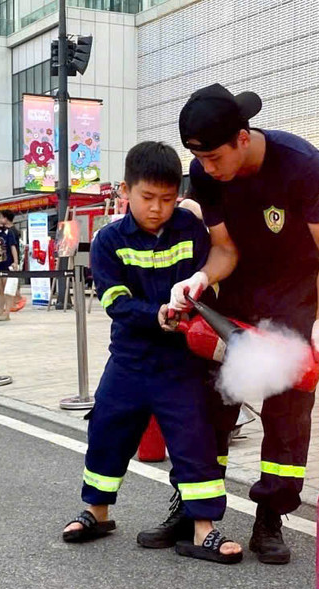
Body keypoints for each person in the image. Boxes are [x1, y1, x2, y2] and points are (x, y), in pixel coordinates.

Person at [143, 83, 319, 564]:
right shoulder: (206, 172)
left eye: (214, 157)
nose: (207, 169)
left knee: (287, 413)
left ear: (241, 137)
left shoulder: (302, 164)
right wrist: (200, 277)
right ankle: (194, 507)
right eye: (200, 159)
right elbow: (226, 248)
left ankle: (270, 518)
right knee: (209, 404)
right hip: (235, 296)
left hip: (296, 298)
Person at [62, 140, 242, 565]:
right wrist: (156, 314)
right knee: (108, 428)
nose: (157, 208)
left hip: (181, 362)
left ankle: (205, 530)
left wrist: (199, 291)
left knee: (193, 437)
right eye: (147, 198)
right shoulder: (108, 240)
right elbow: (114, 300)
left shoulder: (191, 230)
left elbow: (210, 277)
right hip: (130, 358)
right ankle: (96, 512)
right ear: (125, 190)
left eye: (167, 199)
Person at [0, 210, 26, 313]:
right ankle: (14, 301)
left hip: (12, 261)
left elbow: (14, 247)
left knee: (11, 282)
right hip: (11, 260)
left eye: (1, 217)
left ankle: (18, 299)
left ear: (6, 219)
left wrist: (16, 261)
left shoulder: (11, 231)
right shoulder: (9, 230)